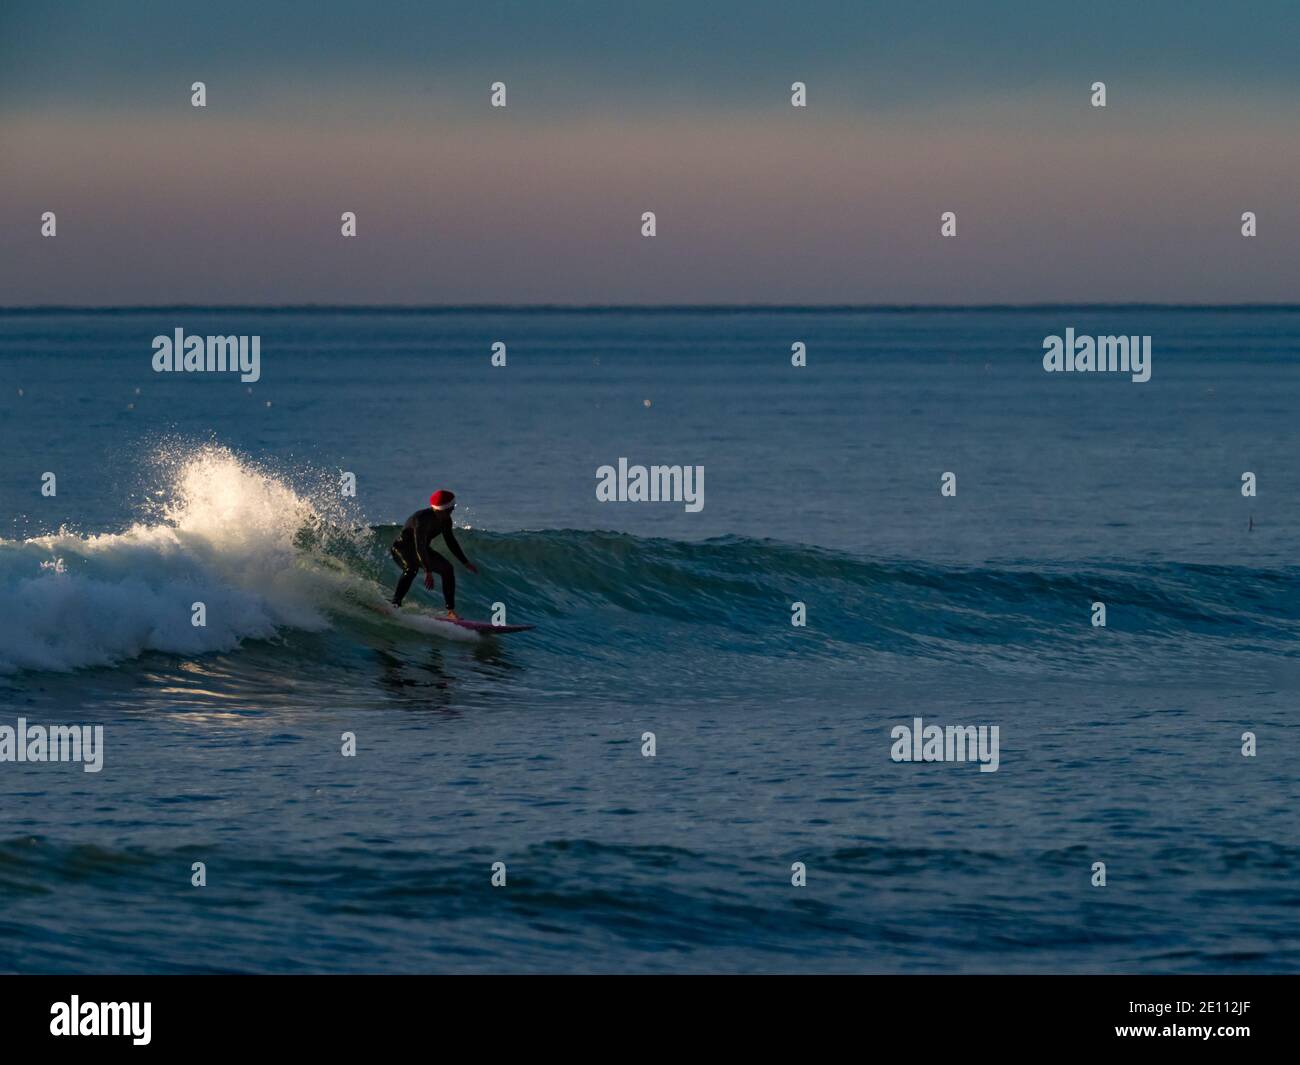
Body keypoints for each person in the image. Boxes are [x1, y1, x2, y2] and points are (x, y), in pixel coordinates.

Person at [390, 490, 478, 618]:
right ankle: (395, 604)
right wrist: (428, 571)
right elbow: (419, 545)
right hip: (402, 548)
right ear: (439, 510)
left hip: (423, 549)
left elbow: (450, 541)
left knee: (448, 569)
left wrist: (465, 562)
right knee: (411, 568)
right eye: (449, 510)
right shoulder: (421, 519)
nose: (452, 512)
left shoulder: (446, 520)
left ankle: (450, 612)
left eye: (452, 508)